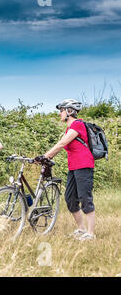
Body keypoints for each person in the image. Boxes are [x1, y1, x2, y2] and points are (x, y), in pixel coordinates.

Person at [43, 99, 96, 241]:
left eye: (61, 110)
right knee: (70, 198)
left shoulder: (77, 125)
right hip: (74, 167)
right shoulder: (69, 128)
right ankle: (81, 229)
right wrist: (47, 157)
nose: (59, 113)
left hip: (84, 166)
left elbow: (62, 143)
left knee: (85, 198)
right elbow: (62, 145)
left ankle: (91, 234)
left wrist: (46, 155)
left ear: (70, 111)